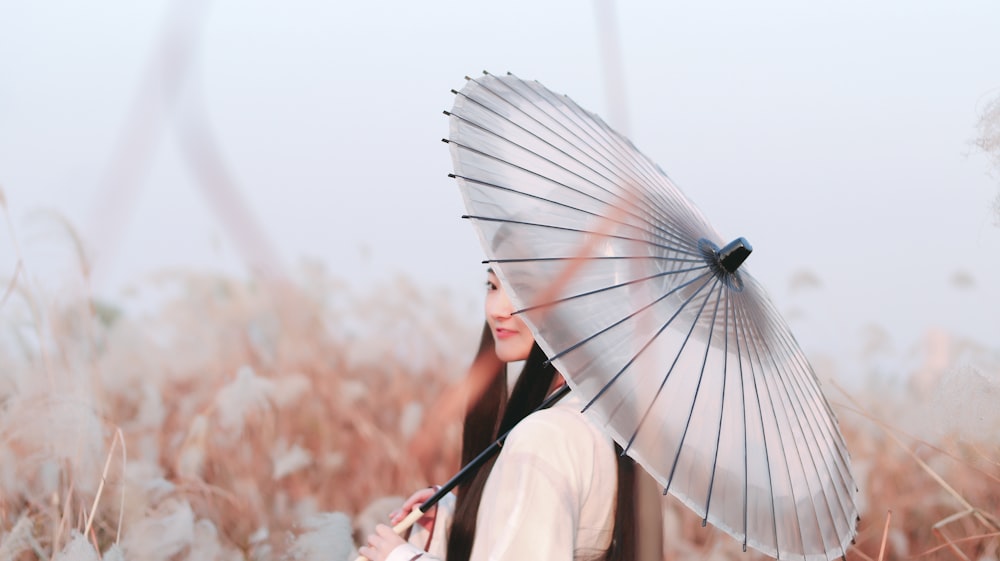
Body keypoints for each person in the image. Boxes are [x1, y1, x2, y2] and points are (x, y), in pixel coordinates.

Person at [359, 268, 639, 561]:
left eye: (522, 289)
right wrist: (455, 519)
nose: (497, 310)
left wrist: (400, 557)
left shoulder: (543, 437)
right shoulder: (595, 417)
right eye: (492, 285)